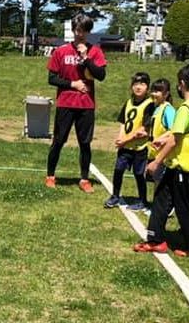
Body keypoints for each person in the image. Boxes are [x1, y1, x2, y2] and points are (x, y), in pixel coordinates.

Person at [133, 64, 189, 258]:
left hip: (182, 166)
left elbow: (176, 139)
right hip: (182, 165)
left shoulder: (185, 108)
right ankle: (155, 240)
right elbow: (181, 134)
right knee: (161, 200)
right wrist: (163, 139)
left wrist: (156, 161)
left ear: (182, 84)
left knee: (184, 207)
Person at [45, 13, 107, 193]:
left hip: (86, 104)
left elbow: (101, 76)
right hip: (65, 103)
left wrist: (86, 58)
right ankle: (50, 175)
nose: (81, 34)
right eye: (78, 30)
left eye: (85, 31)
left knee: (85, 143)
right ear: (73, 30)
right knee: (58, 140)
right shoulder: (61, 52)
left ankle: (84, 179)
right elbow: (52, 78)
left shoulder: (95, 51)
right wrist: (73, 84)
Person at [104, 72, 154, 211]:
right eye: (136, 84)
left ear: (147, 87)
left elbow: (144, 129)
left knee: (139, 174)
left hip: (139, 147)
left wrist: (125, 140)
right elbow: (123, 122)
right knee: (118, 170)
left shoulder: (149, 105)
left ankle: (143, 200)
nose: (138, 87)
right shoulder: (129, 102)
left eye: (142, 84)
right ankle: (115, 196)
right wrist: (121, 138)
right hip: (125, 146)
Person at [145, 78, 176, 185]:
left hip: (163, 154)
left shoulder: (168, 109)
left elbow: (174, 130)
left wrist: (161, 138)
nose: (154, 94)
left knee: (160, 184)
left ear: (166, 94)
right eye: (153, 90)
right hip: (153, 152)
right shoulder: (155, 108)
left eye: (157, 91)